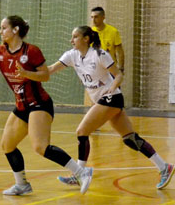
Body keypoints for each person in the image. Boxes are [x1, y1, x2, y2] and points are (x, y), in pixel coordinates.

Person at [0, 15, 93, 195]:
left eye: (4, 28)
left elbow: (45, 75)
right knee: (7, 145)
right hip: (21, 106)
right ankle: (22, 184)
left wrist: (26, 73)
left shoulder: (31, 51)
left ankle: (81, 172)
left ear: (15, 30)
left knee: (40, 147)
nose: (0, 31)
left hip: (39, 103)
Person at [48, 26, 174, 189]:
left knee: (81, 131)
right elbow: (50, 69)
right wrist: (30, 72)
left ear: (86, 39)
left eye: (75, 37)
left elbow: (119, 75)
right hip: (103, 100)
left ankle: (79, 173)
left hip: (111, 98)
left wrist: (113, 86)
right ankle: (164, 167)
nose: (71, 40)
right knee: (130, 139)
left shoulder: (100, 54)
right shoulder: (72, 55)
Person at [91, 7, 124, 73]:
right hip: (95, 70)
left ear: (103, 17)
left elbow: (120, 52)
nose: (93, 20)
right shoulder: (90, 32)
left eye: (96, 17)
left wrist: (120, 68)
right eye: (92, 17)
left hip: (111, 70)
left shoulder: (113, 32)